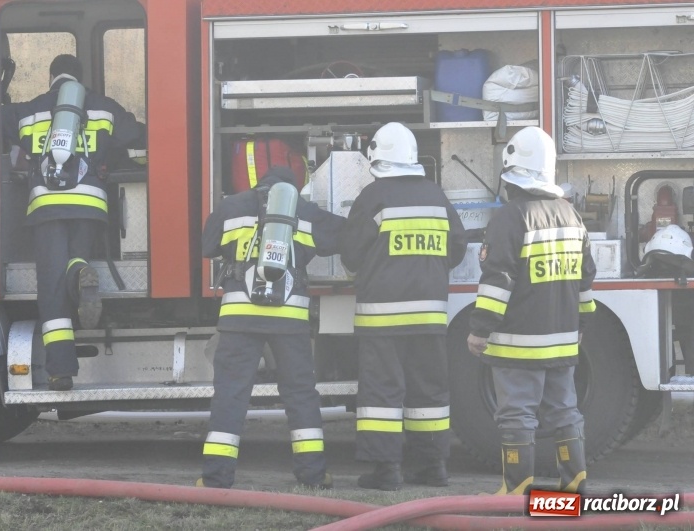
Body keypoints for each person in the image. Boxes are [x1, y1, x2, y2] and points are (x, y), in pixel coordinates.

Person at [0, 54, 145, 391]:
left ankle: (60, 371)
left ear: (51, 77)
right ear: (82, 78)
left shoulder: (30, 110)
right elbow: (134, 134)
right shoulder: (103, 107)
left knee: (51, 288)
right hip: (90, 206)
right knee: (77, 258)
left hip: (47, 208)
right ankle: (81, 270)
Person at [466, 126, 597, 495]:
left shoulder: (510, 217)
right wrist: (582, 323)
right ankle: (574, 487)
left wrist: (480, 329)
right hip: (563, 342)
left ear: (512, 175)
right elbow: (585, 280)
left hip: (517, 342)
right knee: (565, 412)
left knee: (516, 415)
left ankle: (517, 489)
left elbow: (497, 281)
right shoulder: (572, 216)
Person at [196, 165, 344, 490]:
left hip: (238, 318)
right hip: (290, 321)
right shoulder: (305, 212)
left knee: (231, 395)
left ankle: (216, 479)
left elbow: (207, 248)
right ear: (292, 189)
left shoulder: (231, 206)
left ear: (259, 184)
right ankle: (313, 476)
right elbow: (345, 237)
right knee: (301, 395)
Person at [339, 122, 468, 491]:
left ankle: (386, 471)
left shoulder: (373, 197)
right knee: (429, 393)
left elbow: (351, 251)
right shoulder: (436, 196)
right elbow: (457, 246)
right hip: (429, 315)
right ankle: (434, 468)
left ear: (377, 158)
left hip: (382, 317)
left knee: (382, 394)